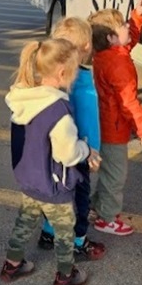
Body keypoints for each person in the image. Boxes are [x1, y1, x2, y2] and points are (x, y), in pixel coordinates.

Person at [0, 38, 93, 285]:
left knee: (25, 221)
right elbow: (67, 154)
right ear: (62, 73)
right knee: (64, 230)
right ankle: (65, 275)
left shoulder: (23, 98)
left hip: (29, 178)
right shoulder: (58, 111)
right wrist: (85, 149)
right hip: (54, 184)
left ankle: (12, 264)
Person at [36, 17, 106, 261]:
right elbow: (87, 121)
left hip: (54, 152)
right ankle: (78, 241)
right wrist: (92, 151)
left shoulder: (51, 80)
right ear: (87, 46)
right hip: (78, 152)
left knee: (56, 194)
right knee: (79, 198)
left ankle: (48, 232)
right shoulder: (81, 81)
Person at [87, 0, 142, 236]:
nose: (128, 26)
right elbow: (129, 102)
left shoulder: (110, 54)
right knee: (115, 175)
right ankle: (107, 218)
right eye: (124, 25)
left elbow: (130, 38)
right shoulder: (117, 63)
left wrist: (137, 17)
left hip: (105, 126)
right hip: (114, 130)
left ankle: (96, 206)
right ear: (111, 38)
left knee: (108, 171)